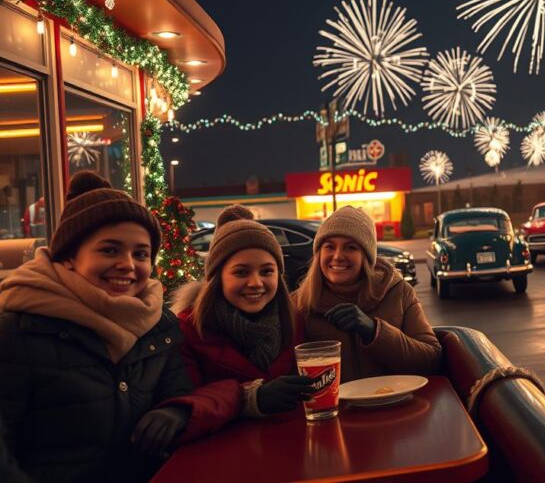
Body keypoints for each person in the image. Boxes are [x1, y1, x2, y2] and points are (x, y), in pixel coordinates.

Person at [0, 171, 194, 483]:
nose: (128, 264)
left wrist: (176, 411)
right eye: (110, 250)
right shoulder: (17, 328)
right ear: (70, 257)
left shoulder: (158, 324)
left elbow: (179, 391)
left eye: (140, 253)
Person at [167, 205, 314, 438]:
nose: (256, 282)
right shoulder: (188, 329)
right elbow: (187, 406)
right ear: (217, 278)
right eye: (241, 272)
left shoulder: (294, 320)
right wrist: (251, 398)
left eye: (267, 271)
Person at [293, 206, 441, 381]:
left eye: (350, 247)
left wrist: (374, 331)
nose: (338, 256)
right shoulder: (297, 304)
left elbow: (432, 360)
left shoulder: (398, 291)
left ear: (366, 256)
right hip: (335, 408)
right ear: (319, 253)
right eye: (329, 247)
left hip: (395, 404)